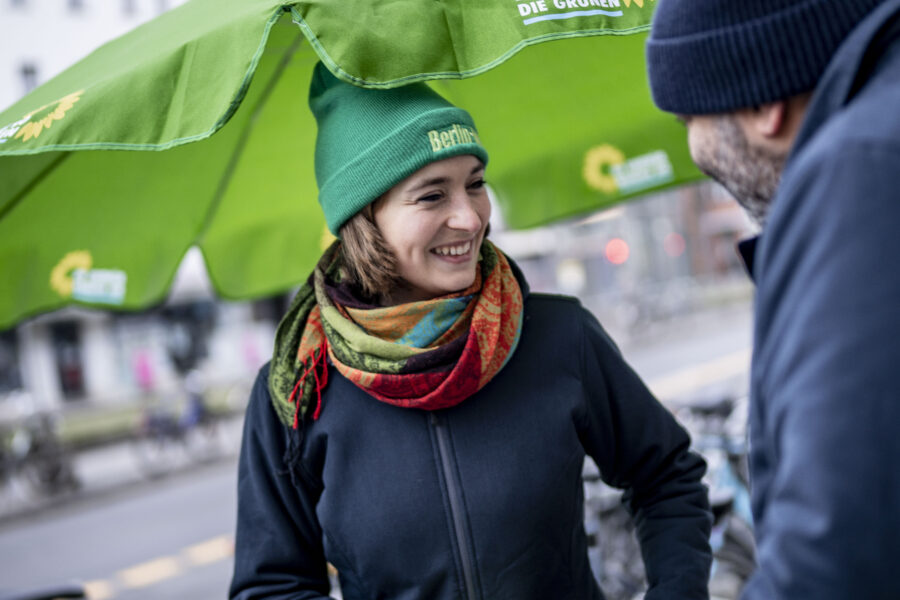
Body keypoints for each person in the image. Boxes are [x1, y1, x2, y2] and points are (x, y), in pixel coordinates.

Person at [229, 62, 712, 600]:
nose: (471, 217)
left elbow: (666, 476)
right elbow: (271, 587)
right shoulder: (295, 389)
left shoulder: (558, 335)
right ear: (364, 221)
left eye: (475, 184)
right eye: (432, 195)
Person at [646, 1, 900, 598]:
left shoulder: (860, 172)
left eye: (689, 119)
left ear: (764, 103)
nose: (696, 152)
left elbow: (837, 560)